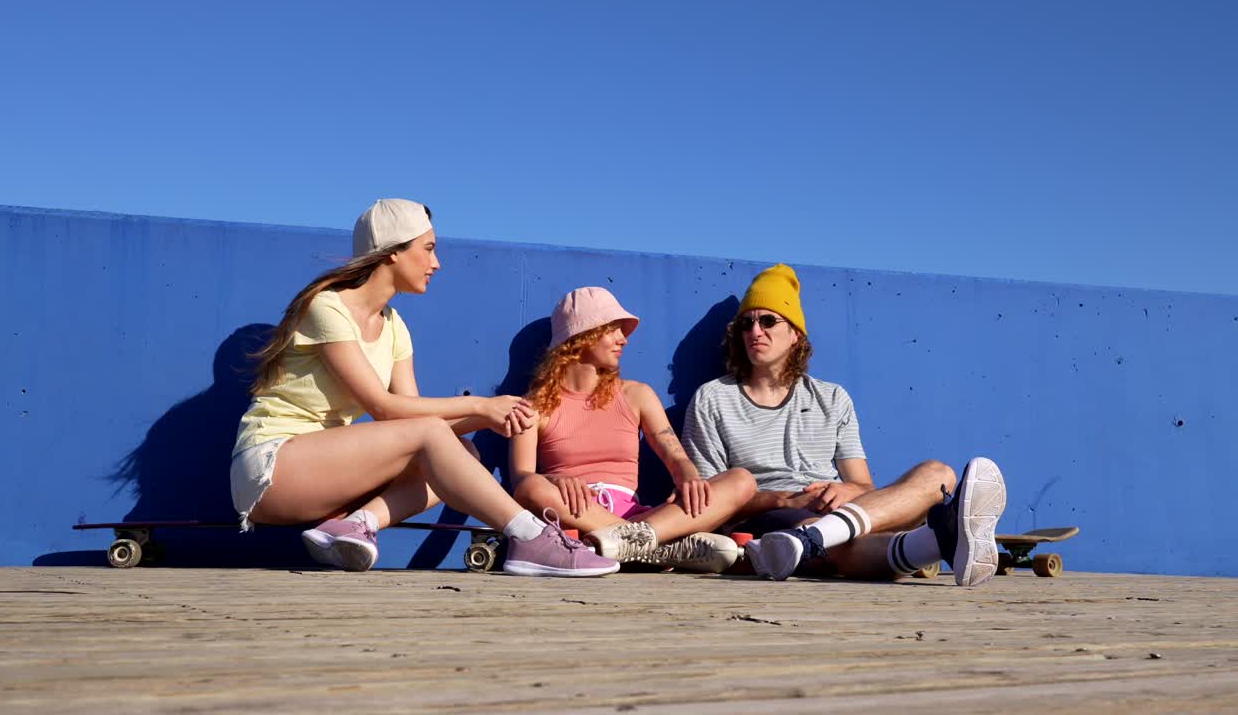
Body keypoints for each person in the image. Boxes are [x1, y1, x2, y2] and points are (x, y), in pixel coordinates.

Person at [229, 198, 618, 576]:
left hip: (323, 473)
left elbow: (413, 420)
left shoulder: (395, 327)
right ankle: (529, 536)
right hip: (271, 467)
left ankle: (355, 524)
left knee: (462, 452)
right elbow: (384, 408)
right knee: (436, 436)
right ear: (393, 251)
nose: (437, 263)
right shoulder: (327, 307)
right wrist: (482, 406)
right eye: (428, 249)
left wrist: (494, 418)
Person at [682, 264, 1007, 585]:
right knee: (842, 544)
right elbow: (711, 503)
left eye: (768, 320)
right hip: (772, 515)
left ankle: (821, 539)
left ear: (795, 334)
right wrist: (784, 500)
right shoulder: (713, 399)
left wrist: (847, 490)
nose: (755, 332)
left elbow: (864, 486)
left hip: (843, 511)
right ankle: (938, 540)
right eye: (746, 323)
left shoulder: (832, 398)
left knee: (940, 474)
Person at [510, 287, 758, 573]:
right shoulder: (534, 405)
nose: (623, 339)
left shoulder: (636, 395)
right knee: (532, 487)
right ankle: (658, 548)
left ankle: (628, 543)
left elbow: (674, 456)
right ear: (581, 336)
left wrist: (687, 475)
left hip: (643, 519)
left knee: (742, 480)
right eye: (613, 329)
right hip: (575, 516)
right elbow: (521, 479)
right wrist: (554, 479)